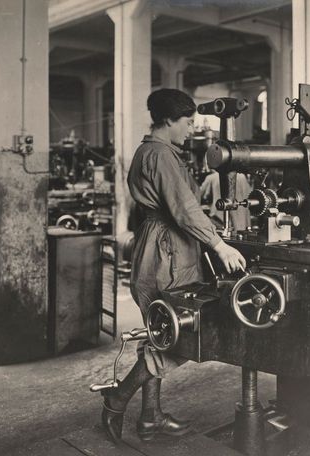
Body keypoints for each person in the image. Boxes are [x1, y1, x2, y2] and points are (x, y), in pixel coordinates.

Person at [100, 88, 246, 443]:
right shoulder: (162, 156)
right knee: (172, 334)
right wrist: (219, 244)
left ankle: (150, 418)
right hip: (166, 251)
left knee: (160, 331)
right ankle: (117, 398)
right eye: (187, 122)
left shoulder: (148, 150)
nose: (191, 129)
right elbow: (184, 208)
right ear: (168, 120)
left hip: (155, 244)